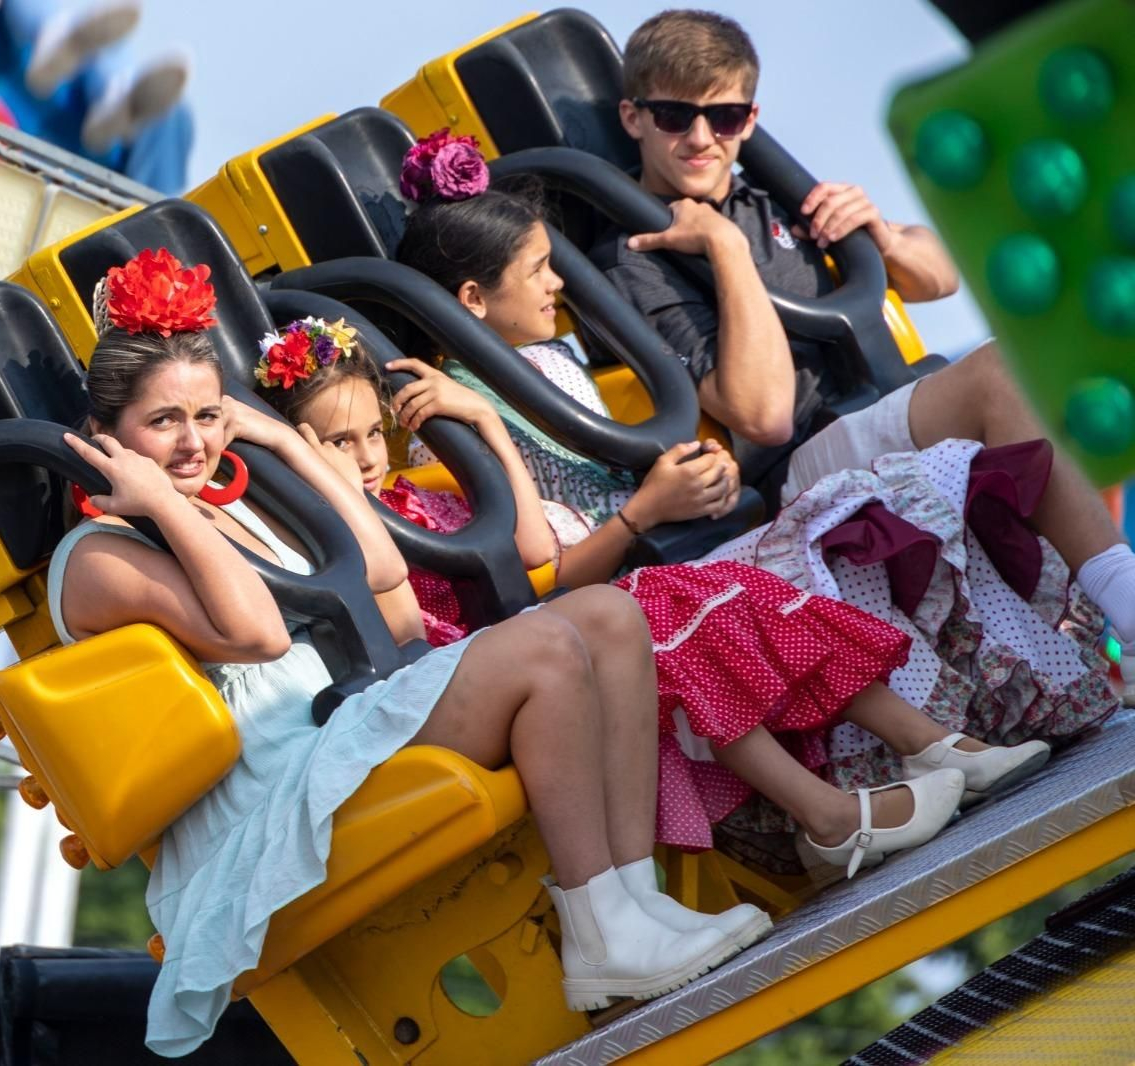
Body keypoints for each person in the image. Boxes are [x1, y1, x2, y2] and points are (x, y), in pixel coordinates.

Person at [50, 249, 771, 1056]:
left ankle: (632, 900)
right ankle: (599, 925)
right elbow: (255, 631)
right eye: (164, 422)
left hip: (345, 722)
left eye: (209, 415)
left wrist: (287, 450)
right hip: (278, 780)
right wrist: (158, 501)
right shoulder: (97, 555)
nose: (194, 443)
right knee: (544, 653)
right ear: (102, 438)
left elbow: (382, 568)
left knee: (608, 615)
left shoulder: (231, 500)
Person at [389, 137, 1117, 866]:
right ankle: (890, 771)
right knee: (738, 590)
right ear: (474, 300)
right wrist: (645, 509)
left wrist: (698, 481)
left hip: (664, 553)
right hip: (604, 592)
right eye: (538, 271)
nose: (557, 285)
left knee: (808, 553)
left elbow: (622, 465)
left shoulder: (549, 361)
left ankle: (942, 739)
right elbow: (537, 575)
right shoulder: (450, 418)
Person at [258, 316, 1041, 871]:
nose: (364, 458)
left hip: (539, 635)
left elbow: (535, 554)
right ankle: (831, 815)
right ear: (298, 448)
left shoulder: (417, 501)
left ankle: (930, 744)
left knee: (721, 589)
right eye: (336, 441)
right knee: (660, 615)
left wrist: (485, 428)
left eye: (371, 435)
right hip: (477, 680)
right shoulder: (330, 539)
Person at [596, 8, 1135, 651]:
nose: (702, 138)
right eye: (675, 117)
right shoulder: (635, 251)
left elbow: (940, 278)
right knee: (1000, 370)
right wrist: (726, 251)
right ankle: (1127, 609)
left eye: (726, 117)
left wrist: (880, 235)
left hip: (883, 401)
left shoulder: (770, 197)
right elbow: (762, 416)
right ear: (634, 119)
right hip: (794, 464)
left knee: (1037, 375)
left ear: (751, 120)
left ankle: (1098, 634)